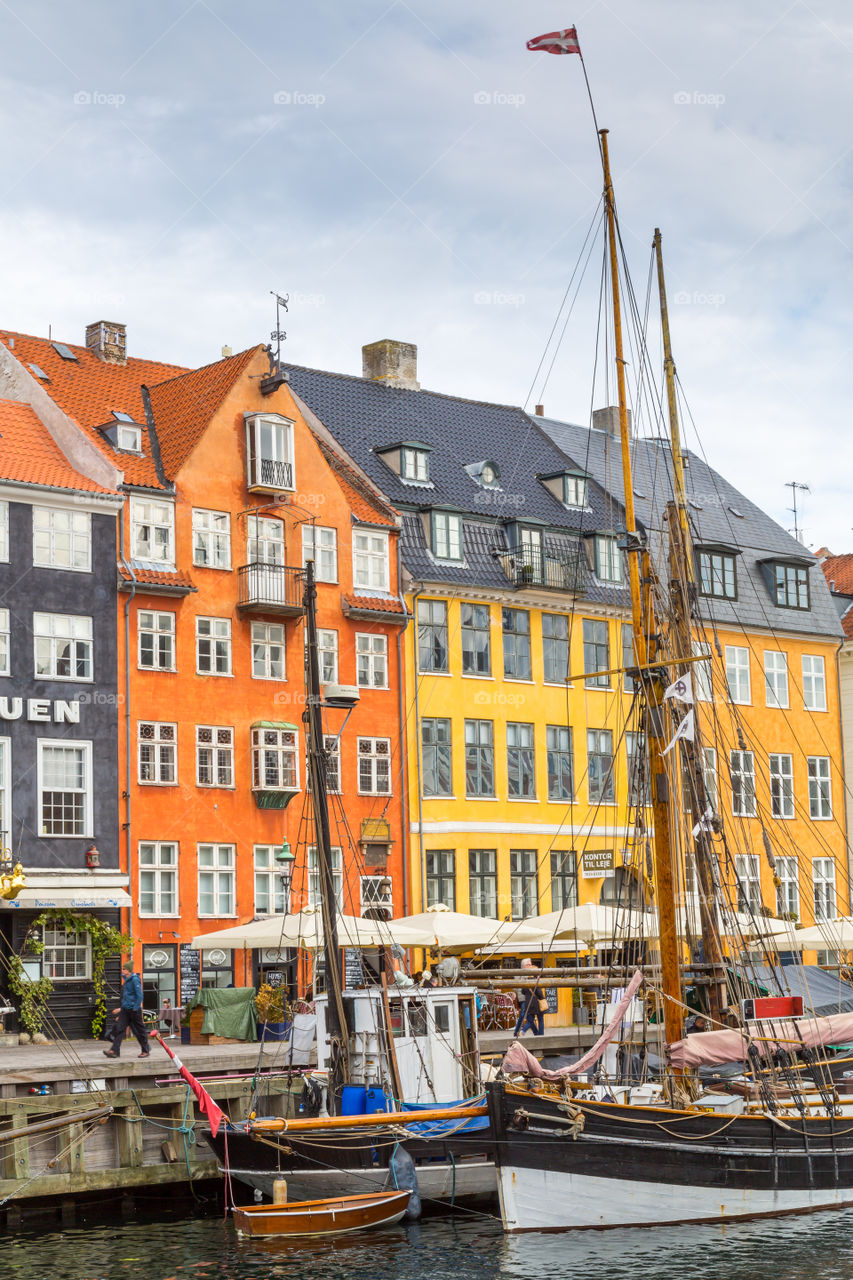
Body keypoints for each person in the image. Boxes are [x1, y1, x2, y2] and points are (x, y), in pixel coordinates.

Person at [104, 961, 150, 1058]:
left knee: (139, 1030)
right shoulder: (126, 979)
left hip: (134, 1010)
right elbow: (126, 997)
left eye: (124, 969)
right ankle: (114, 1051)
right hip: (125, 1009)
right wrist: (121, 1009)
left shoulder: (134, 980)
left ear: (128, 970)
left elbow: (139, 995)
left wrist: (135, 1008)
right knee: (119, 1029)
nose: (122, 970)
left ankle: (145, 1050)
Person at [513, 959, 545, 1037]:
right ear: (524, 966)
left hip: (526, 998)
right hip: (526, 999)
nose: (530, 966)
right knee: (528, 1017)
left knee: (526, 1016)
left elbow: (518, 989)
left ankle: (519, 1032)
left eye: (530, 964)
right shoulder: (526, 974)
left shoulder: (522, 974)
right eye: (528, 964)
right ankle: (525, 1032)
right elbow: (519, 988)